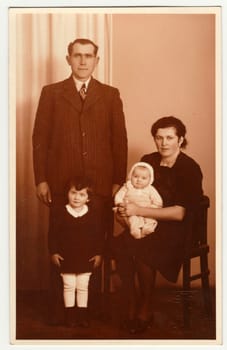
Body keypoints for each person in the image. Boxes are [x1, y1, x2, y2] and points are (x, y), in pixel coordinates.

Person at [32, 38, 128, 323]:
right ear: (68, 59)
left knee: (96, 247)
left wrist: (117, 181)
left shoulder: (110, 95)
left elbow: (119, 141)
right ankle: (59, 312)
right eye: (77, 56)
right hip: (63, 185)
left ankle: (95, 310)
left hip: (100, 185)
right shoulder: (51, 93)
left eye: (89, 56)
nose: (83, 61)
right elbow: (40, 139)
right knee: (61, 247)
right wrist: (41, 180)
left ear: (97, 61)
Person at [113, 116, 203, 334]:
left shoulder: (189, 168)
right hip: (146, 222)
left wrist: (138, 211)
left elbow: (180, 213)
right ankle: (132, 302)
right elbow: (133, 191)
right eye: (159, 137)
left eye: (169, 137)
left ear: (180, 140)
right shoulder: (148, 161)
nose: (163, 143)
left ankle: (145, 308)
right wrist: (125, 212)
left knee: (144, 247)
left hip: (179, 228)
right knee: (120, 246)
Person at [48, 177, 102, 328]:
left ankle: (82, 316)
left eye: (82, 194)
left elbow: (98, 236)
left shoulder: (92, 215)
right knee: (69, 285)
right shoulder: (60, 213)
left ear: (88, 198)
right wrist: (53, 252)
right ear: (67, 194)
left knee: (83, 286)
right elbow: (52, 234)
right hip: (67, 257)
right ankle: (70, 316)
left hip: (86, 257)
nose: (77, 197)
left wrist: (98, 253)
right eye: (73, 193)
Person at [114, 162, 163, 239]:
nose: (139, 180)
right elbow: (119, 195)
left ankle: (147, 229)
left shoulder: (150, 189)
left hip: (147, 210)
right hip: (131, 210)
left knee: (151, 220)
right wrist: (119, 203)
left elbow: (157, 200)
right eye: (136, 176)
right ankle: (134, 231)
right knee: (133, 220)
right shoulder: (128, 186)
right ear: (131, 176)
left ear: (150, 179)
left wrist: (153, 206)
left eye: (143, 178)